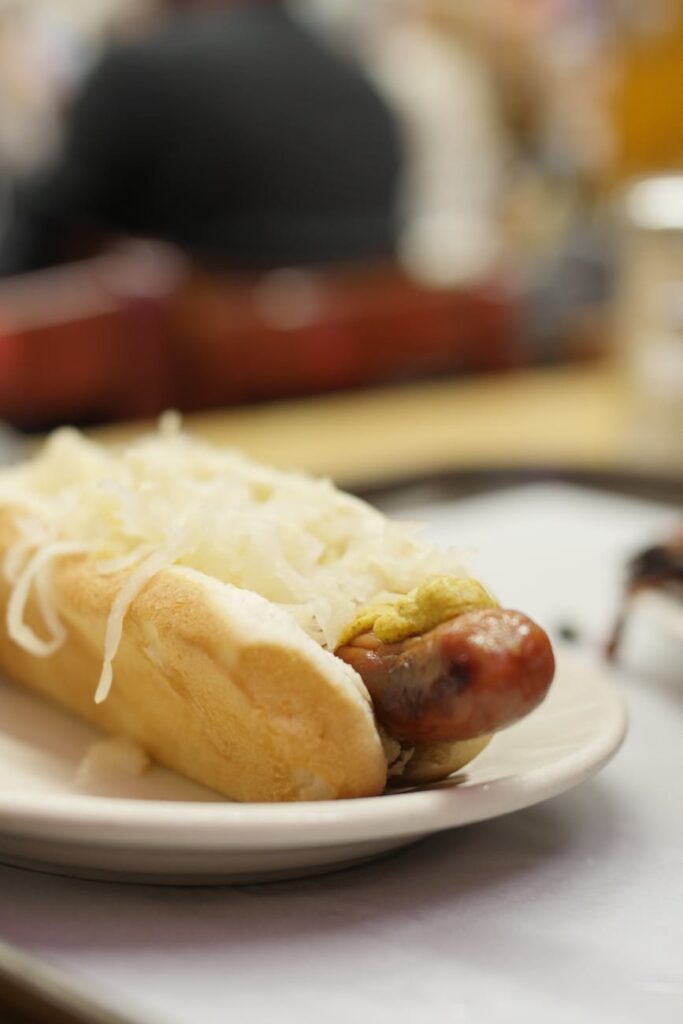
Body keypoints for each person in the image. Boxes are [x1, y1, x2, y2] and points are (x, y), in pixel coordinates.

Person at [0, 0, 401, 276]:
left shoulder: (139, 74)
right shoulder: (366, 93)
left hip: (168, 393)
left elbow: (35, 251)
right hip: (349, 392)